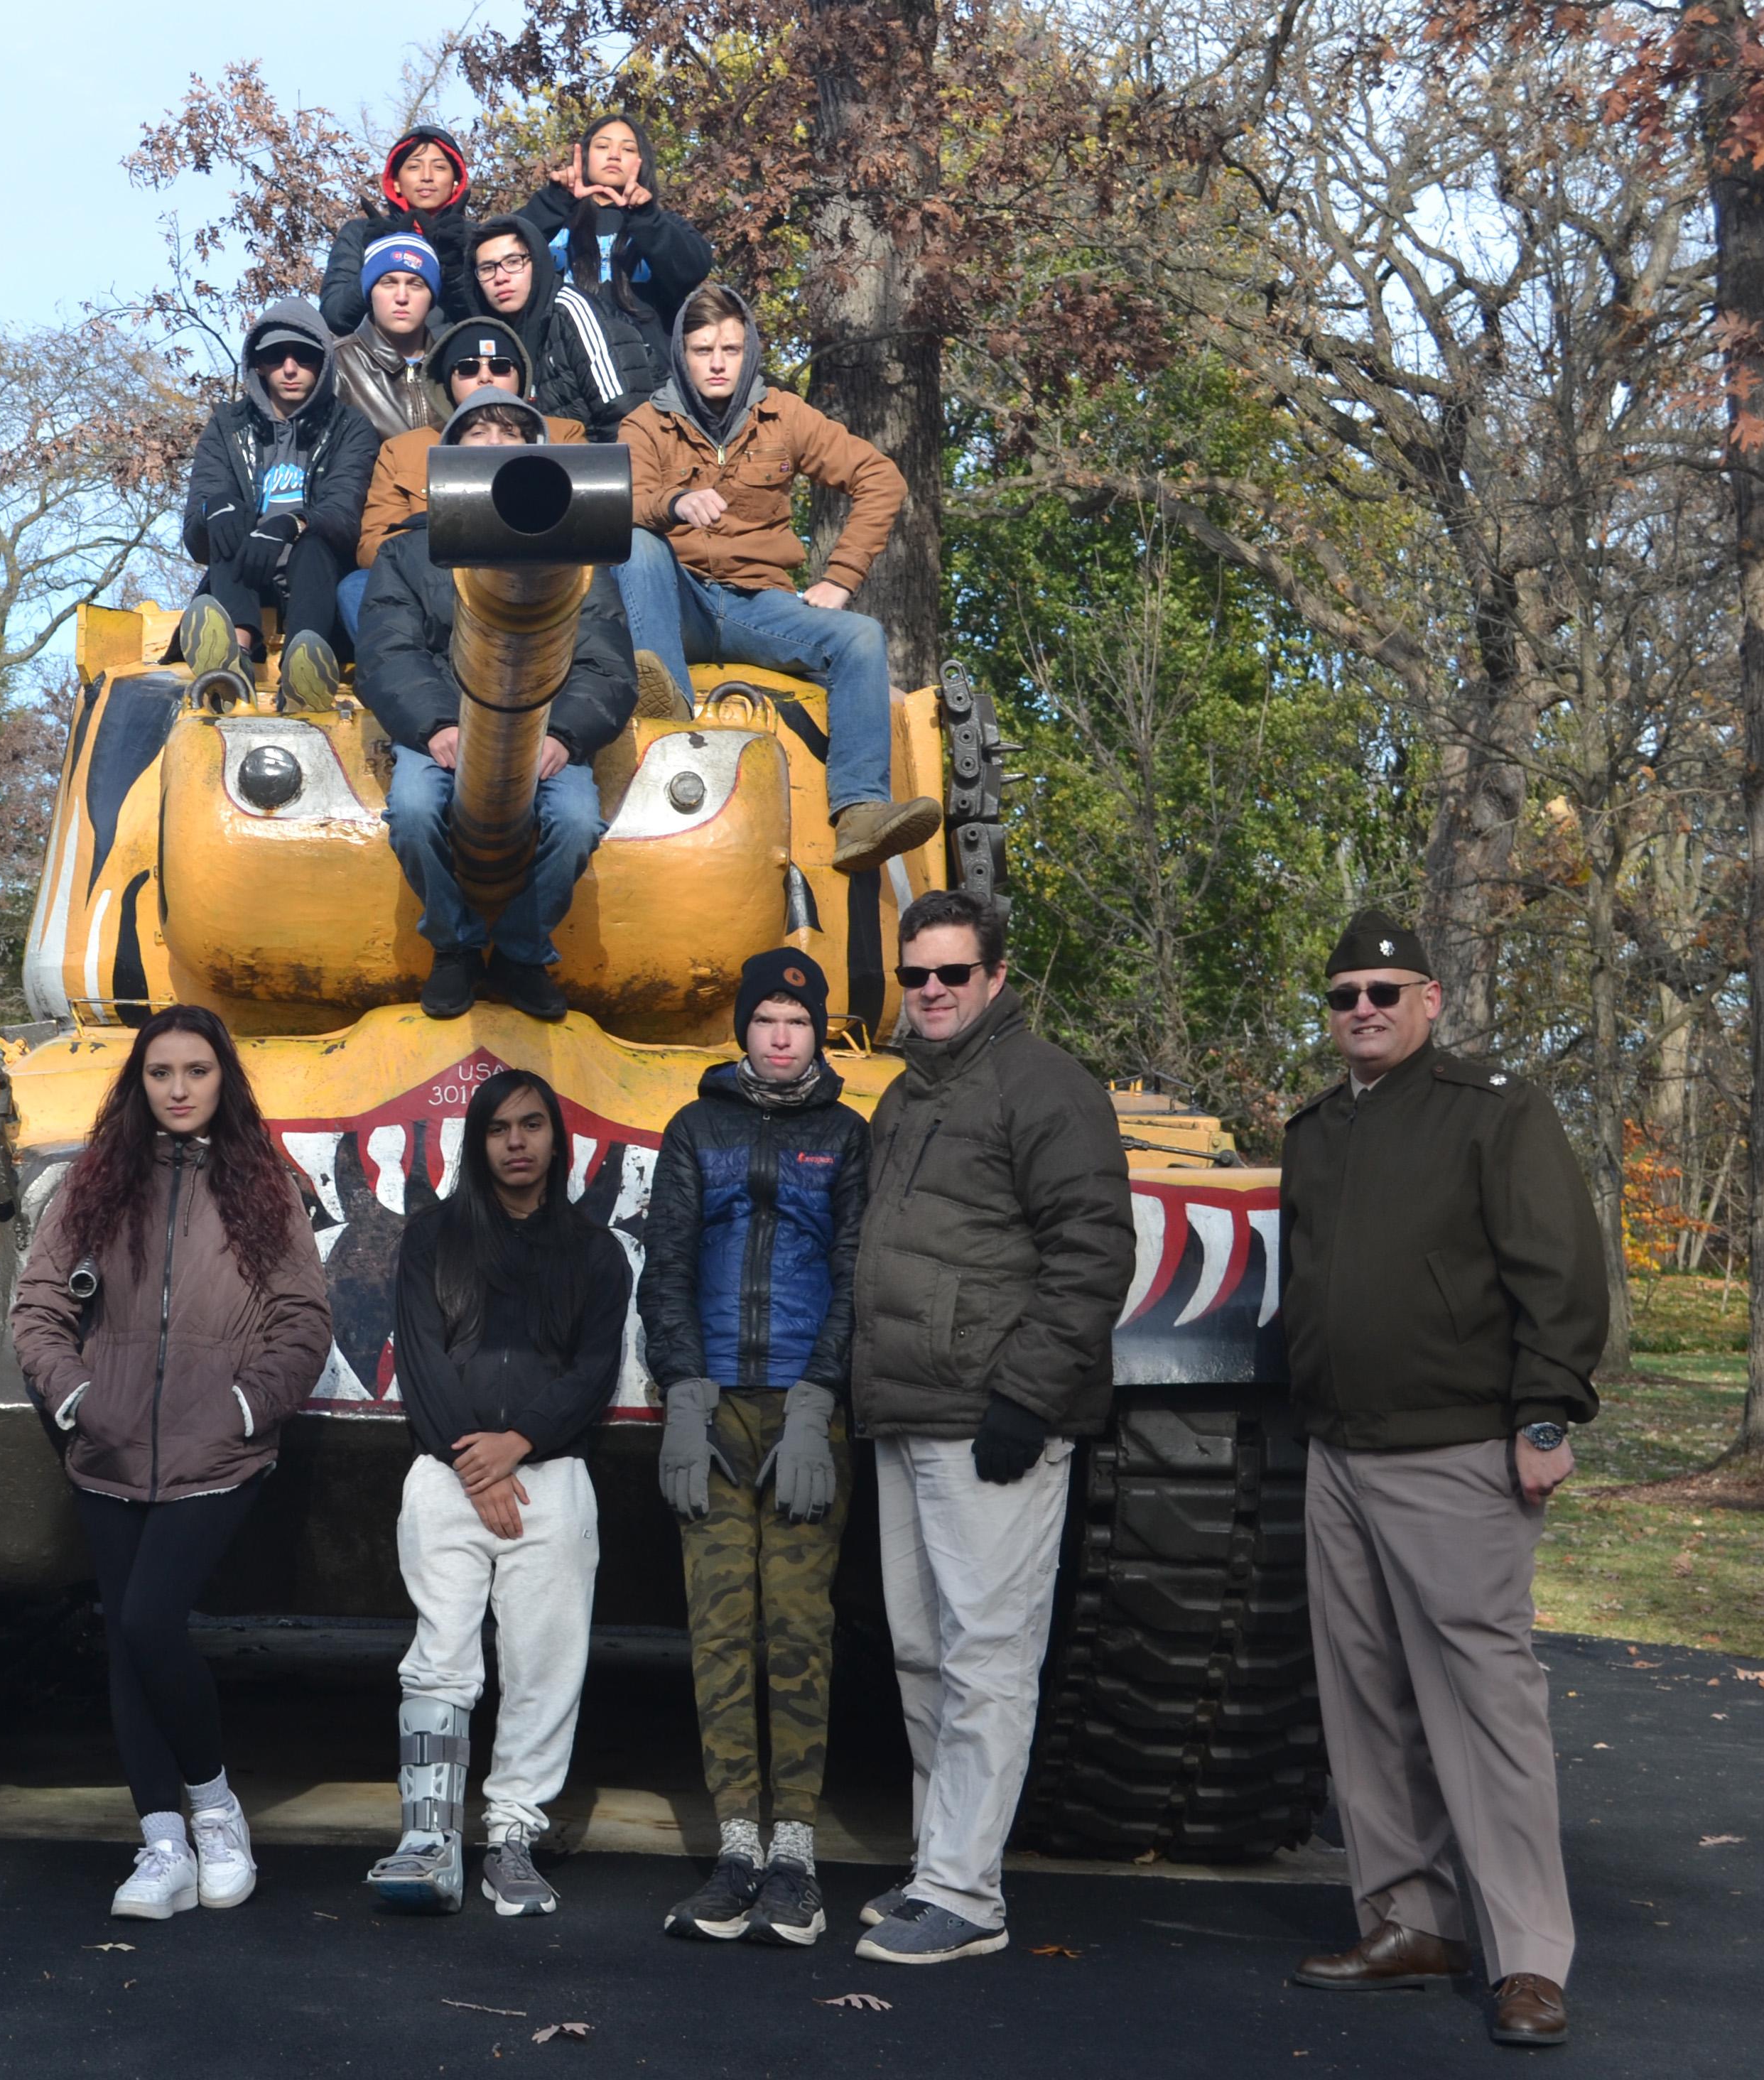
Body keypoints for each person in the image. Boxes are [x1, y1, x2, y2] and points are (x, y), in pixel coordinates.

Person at [1278, 911, 1604, 2050]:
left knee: (1485, 1706)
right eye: (1342, 995)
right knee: (1364, 1705)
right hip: (1341, 1453)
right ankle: (1410, 1919)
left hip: (1459, 1450)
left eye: (1383, 989)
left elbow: (1558, 1267)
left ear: (1432, 1000)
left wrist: (1547, 1410)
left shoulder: (1494, 1111)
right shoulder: (1312, 1131)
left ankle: (1528, 1958)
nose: (1361, 1009)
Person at [848, 889, 1132, 1965]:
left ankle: (969, 1894)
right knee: (924, 1651)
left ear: (995, 980)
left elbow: (1094, 1251)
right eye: (916, 976)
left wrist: (1026, 1396)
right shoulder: (910, 1095)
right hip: (907, 1413)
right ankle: (938, 1866)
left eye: (951, 975)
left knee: (989, 1654)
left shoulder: (1046, 1086)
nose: (930, 992)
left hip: (988, 1419)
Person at [9, 1006, 335, 1920]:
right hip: (107, 1445)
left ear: (222, 1079)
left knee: (151, 1621)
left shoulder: (265, 1185)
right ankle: (162, 1847)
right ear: (139, 1083)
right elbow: (37, 1306)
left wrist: (241, 1407)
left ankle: (216, 1809)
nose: (180, 1089)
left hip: (217, 1451)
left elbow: (303, 1320)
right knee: (126, 1639)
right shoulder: (94, 1181)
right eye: (161, 1073)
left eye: (197, 1071)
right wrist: (76, 1398)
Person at [365, 1069, 632, 1919]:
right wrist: (473, 1464)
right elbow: (420, 1360)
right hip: (446, 1478)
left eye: (532, 1127)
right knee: (441, 1656)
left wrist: (519, 1445)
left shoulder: (596, 1252)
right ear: (477, 1144)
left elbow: (594, 1372)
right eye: (498, 1129)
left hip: (552, 1479)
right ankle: (430, 1839)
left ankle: (512, 1837)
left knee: (544, 1666)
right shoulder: (433, 1238)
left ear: (557, 1140)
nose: (516, 1143)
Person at [647, 950, 868, 1946]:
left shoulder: (847, 1137)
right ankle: (738, 1843)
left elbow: (857, 1269)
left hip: (806, 1409)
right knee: (721, 1628)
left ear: (819, 1035)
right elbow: (671, 1263)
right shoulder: (698, 1128)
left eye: (799, 1023)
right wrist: (683, 1392)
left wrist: (823, 1395)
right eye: (767, 1021)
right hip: (718, 1407)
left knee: (797, 1630)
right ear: (743, 1031)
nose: (781, 1039)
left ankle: (795, 1854)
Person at [620, 285, 940, 877]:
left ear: (750, 353)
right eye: (702, 349)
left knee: (861, 636)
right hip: (678, 601)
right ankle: (670, 716)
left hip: (758, 607)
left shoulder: (784, 415)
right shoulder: (647, 424)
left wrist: (840, 578)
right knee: (636, 545)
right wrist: (675, 503)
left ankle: (859, 813)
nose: (717, 363)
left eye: (731, 349)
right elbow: (621, 500)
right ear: (681, 355)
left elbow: (881, 478)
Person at [359, 396, 637, 1024]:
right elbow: (387, 650)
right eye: (476, 434)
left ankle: (520, 951)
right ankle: (453, 946)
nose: (491, 444)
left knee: (574, 821)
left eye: (508, 435)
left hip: (546, 728)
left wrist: (565, 733)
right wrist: (437, 725)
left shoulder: (580, 557)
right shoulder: (407, 551)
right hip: (437, 728)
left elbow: (607, 665)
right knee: (412, 809)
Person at [175, 300, 378, 712]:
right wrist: (212, 508)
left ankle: (305, 669)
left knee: (315, 545)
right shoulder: (227, 425)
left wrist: (293, 522)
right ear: (259, 365)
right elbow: (197, 538)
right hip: (248, 571)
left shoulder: (350, 427)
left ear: (323, 364)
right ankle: (234, 658)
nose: (289, 368)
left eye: (304, 357)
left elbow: (345, 515)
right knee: (228, 519)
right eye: (275, 356)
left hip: (320, 578)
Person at [342, 320, 584, 641]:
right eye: (468, 368)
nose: (485, 377)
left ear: (521, 375)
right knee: (356, 587)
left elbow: (587, 526)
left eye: (499, 365)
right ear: (447, 380)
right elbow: (373, 546)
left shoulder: (563, 436)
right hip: (436, 580)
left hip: (536, 581)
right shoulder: (402, 450)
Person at [513, 113, 712, 364]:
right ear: (584, 157)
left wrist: (645, 219)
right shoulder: (552, 217)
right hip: (560, 381)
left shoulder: (661, 225)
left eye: (627, 149)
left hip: (648, 383)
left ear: (642, 162)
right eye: (603, 146)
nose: (614, 155)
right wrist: (554, 201)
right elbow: (495, 257)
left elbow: (694, 268)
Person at [468, 212, 664, 440]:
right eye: (487, 268)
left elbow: (626, 420)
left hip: (602, 466)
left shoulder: (573, 312)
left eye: (513, 262)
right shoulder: (495, 335)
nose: (500, 277)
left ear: (538, 261)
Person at [319, 124, 477, 334]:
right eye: (414, 167)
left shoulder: (479, 238)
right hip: (375, 363)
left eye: (439, 167)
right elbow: (334, 316)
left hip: (455, 362)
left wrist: (455, 269)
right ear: (395, 182)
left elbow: (488, 321)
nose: (427, 176)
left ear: (457, 181)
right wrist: (377, 263)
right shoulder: (360, 234)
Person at [334, 235, 449, 440]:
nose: (402, 298)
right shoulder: (339, 363)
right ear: (370, 294)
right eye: (389, 283)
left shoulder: (454, 363)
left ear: (432, 296)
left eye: (416, 284)